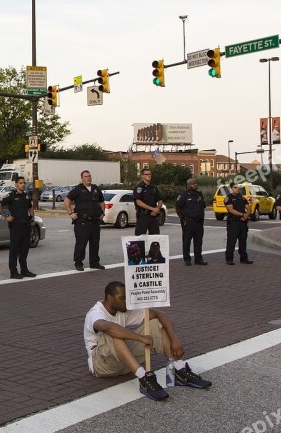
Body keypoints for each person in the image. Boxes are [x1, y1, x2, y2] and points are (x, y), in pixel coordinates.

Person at [84, 281, 212, 401]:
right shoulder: (95, 312)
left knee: (155, 323)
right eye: (122, 298)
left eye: (127, 298)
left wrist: (175, 339)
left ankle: (178, 370)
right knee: (113, 333)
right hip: (102, 366)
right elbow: (107, 327)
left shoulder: (121, 310)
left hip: (124, 363)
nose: (126, 302)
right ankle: (144, 378)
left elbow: (158, 314)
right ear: (109, 298)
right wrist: (140, 338)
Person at [64, 170, 106, 271]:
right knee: (81, 243)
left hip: (95, 221)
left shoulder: (96, 188)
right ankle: (78, 263)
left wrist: (103, 213)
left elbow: (102, 201)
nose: (88, 178)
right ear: (82, 178)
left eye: (89, 176)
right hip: (82, 222)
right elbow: (67, 200)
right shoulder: (78, 189)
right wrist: (70, 213)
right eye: (86, 176)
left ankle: (94, 262)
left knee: (95, 243)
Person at [1, 176, 36, 279]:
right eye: (20, 183)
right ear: (16, 184)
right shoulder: (11, 195)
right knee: (14, 250)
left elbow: (30, 208)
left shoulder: (26, 196)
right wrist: (6, 217)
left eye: (24, 183)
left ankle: (24, 270)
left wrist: (32, 218)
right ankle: (13, 271)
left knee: (24, 249)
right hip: (16, 226)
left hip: (26, 226)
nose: (23, 185)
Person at [175, 178, 207, 266]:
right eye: (193, 184)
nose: (195, 185)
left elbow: (203, 206)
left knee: (198, 241)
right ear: (188, 185)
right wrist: (182, 217)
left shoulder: (199, 194)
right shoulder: (184, 195)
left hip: (199, 222)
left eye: (196, 183)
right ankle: (187, 259)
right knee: (186, 241)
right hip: (188, 222)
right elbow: (178, 207)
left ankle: (198, 259)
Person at [224, 183, 253, 265]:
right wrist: (242, 214)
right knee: (231, 241)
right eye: (235, 187)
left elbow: (248, 208)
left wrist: (246, 215)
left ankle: (244, 258)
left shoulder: (242, 198)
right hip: (233, 222)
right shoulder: (228, 198)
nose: (237, 189)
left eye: (238, 188)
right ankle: (229, 258)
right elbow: (230, 210)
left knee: (243, 241)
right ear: (231, 189)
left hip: (243, 222)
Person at [133, 169, 162, 235]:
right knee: (140, 237)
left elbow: (160, 200)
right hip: (143, 215)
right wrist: (152, 209)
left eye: (150, 174)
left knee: (155, 237)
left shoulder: (153, 188)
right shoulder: (140, 188)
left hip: (153, 216)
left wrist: (157, 209)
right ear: (142, 176)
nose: (149, 176)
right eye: (146, 174)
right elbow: (138, 202)